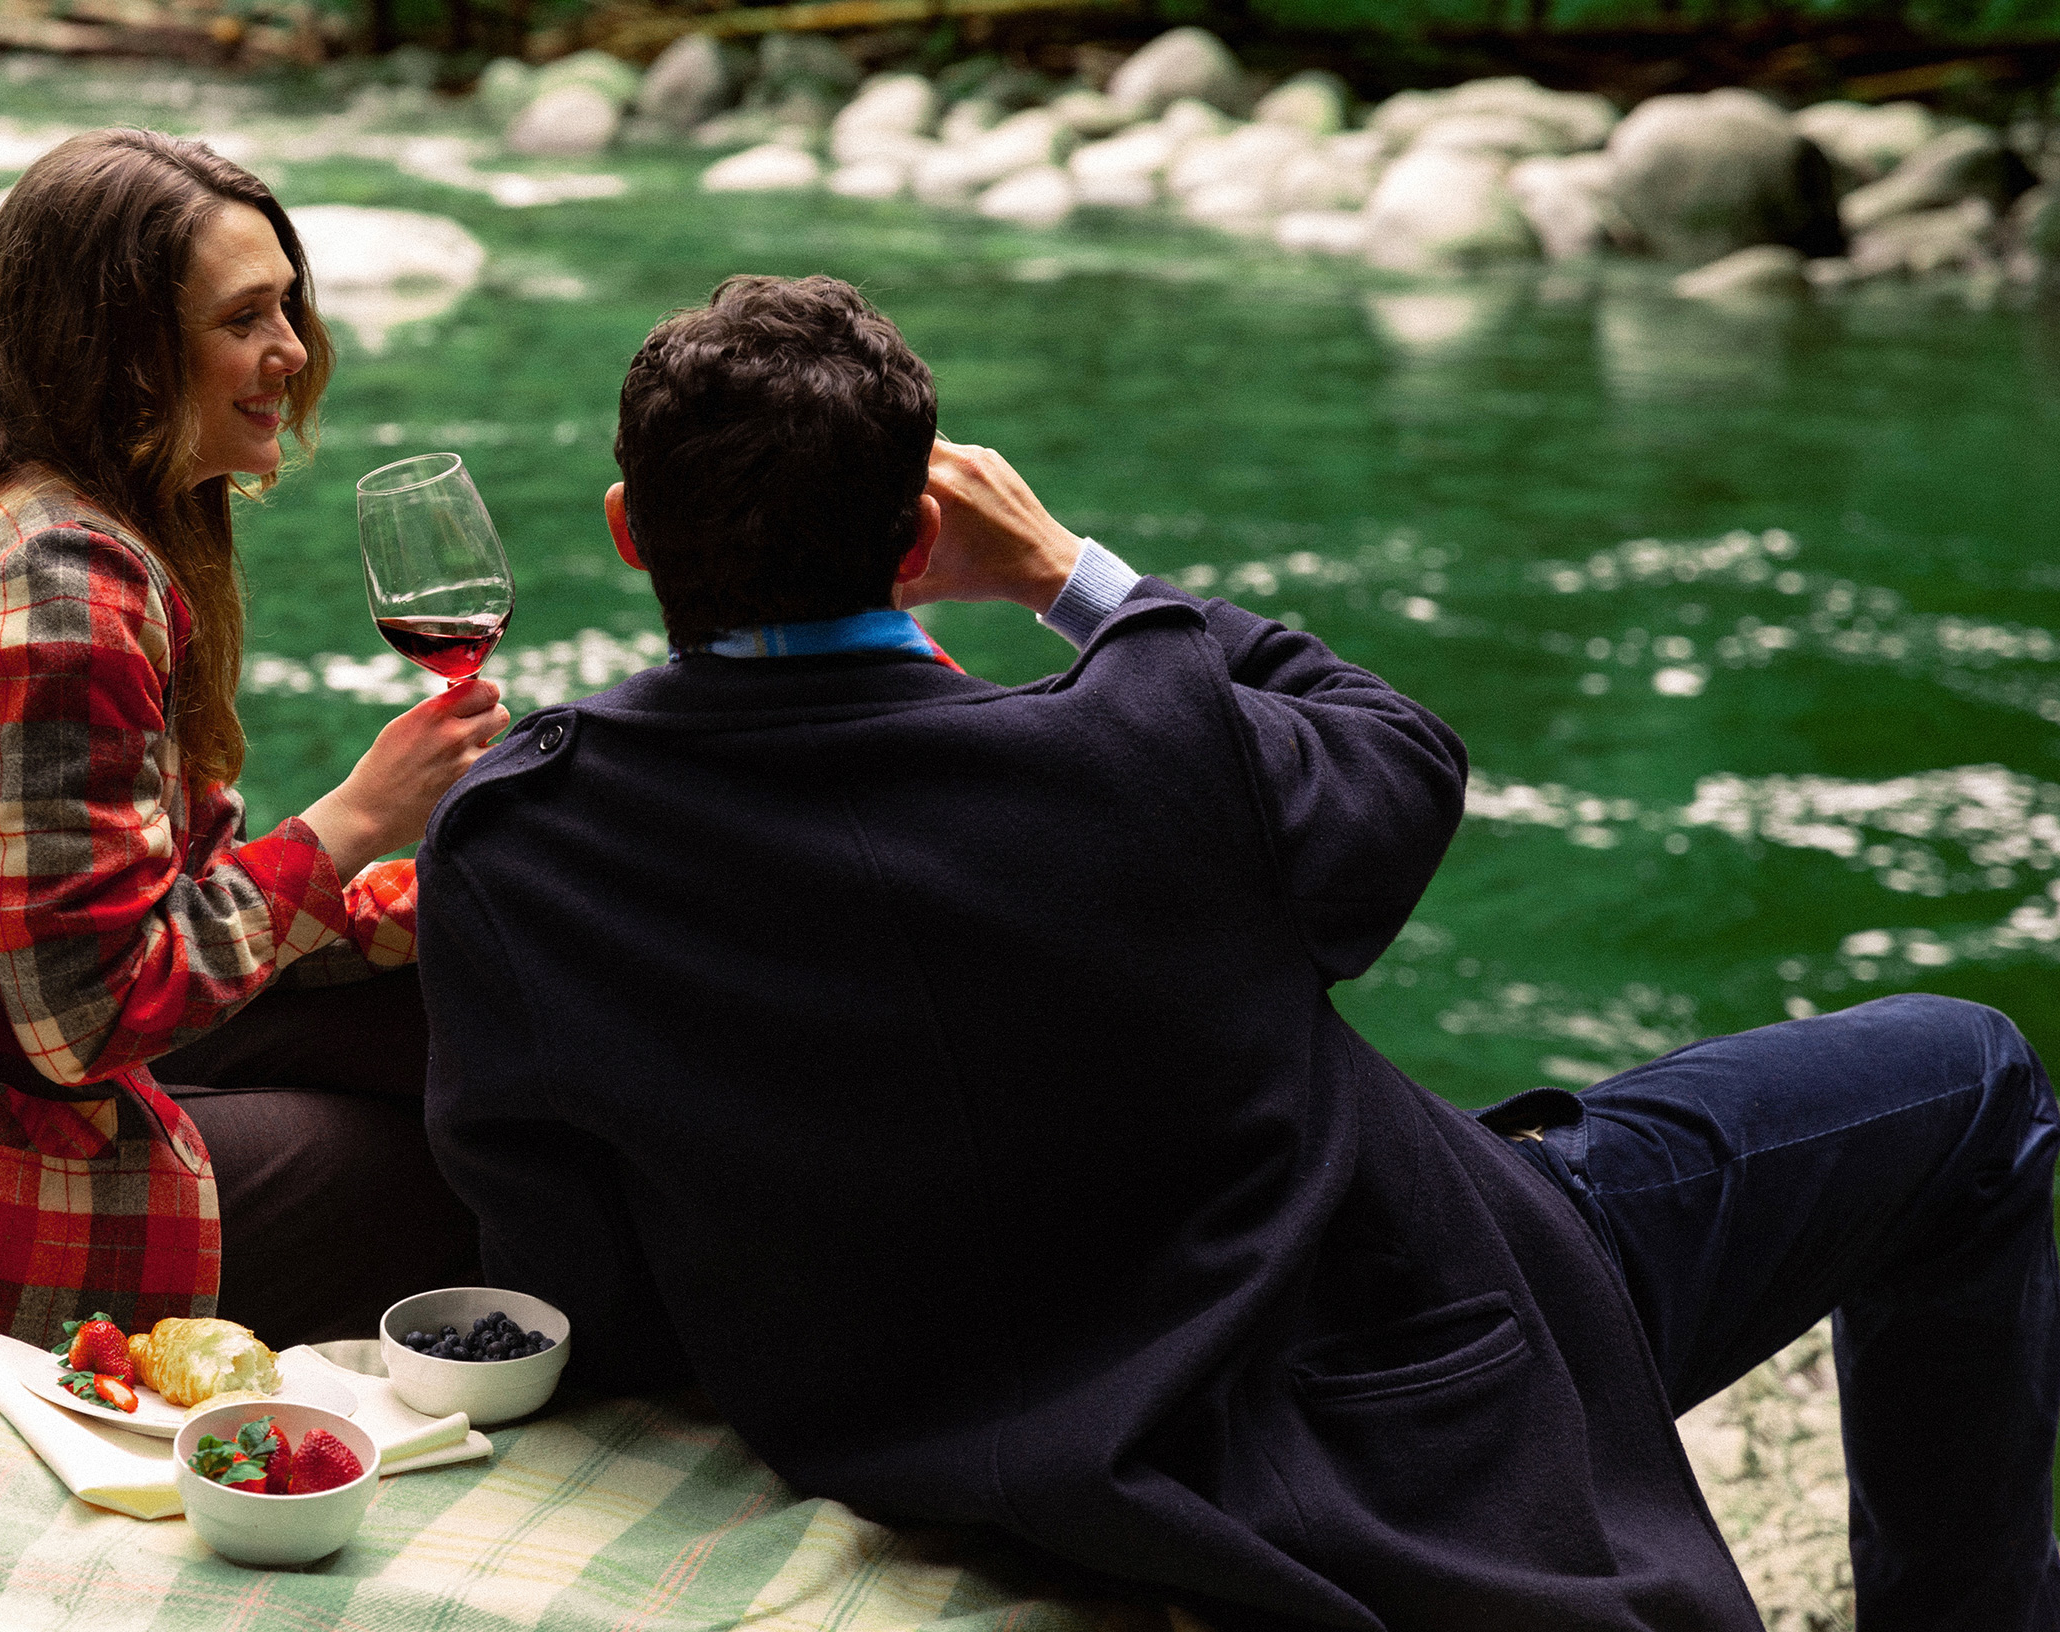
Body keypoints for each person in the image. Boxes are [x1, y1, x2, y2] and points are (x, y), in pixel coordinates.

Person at [416, 273, 2060, 1632]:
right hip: (1400, 1379)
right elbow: (1400, 750)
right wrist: (1072, 576)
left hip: (939, 1426)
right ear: (919, 539)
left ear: (629, 533)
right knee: (1972, 1079)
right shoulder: (1147, 747)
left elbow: (572, 1268)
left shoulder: (526, 843)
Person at [0, 128, 504, 1393]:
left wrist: (410, 912)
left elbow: (133, 910)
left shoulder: (36, 517)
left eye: (288, 307)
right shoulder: (62, 588)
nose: (293, 351)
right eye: (244, 318)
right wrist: (358, 817)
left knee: (448, 1014)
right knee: (446, 1172)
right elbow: (87, 1013)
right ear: (120, 350)